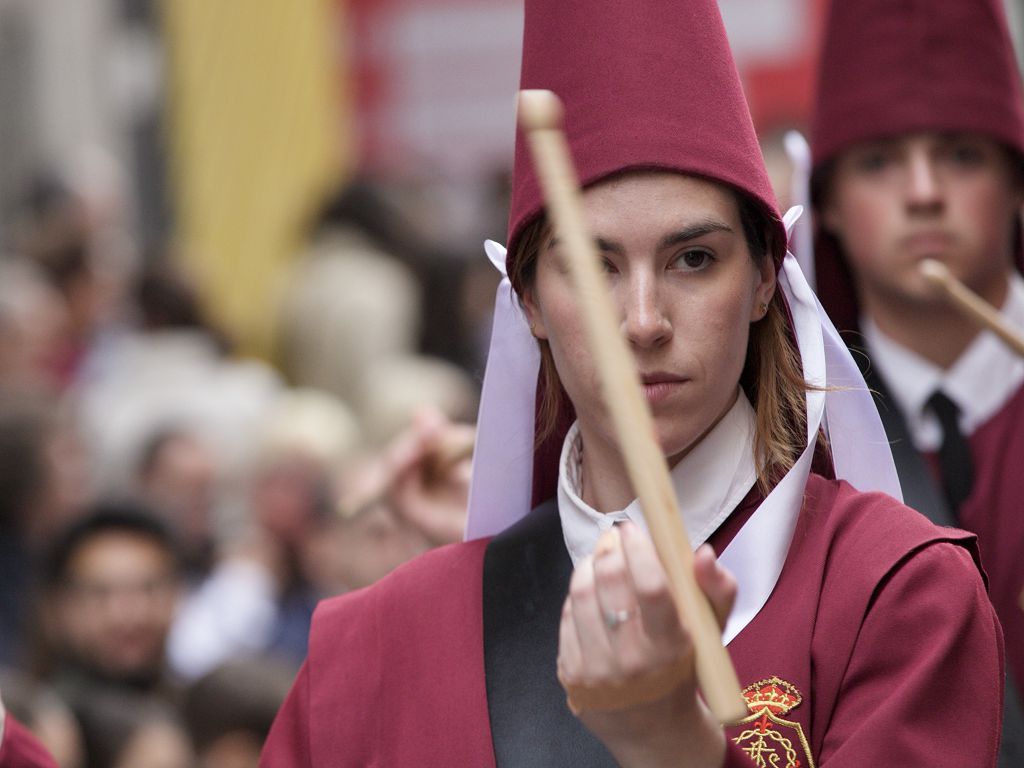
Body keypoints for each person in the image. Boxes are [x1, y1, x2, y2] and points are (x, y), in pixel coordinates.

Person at [261, 0, 1004, 765]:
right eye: (592, 268)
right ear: (529, 305)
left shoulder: (897, 595)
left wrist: (674, 743)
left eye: (693, 260)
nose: (644, 322)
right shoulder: (371, 650)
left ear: (762, 282)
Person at [809, 0, 1024, 761]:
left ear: (1017, 180)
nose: (924, 191)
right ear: (827, 203)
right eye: (878, 162)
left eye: (963, 154)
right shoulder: (798, 442)